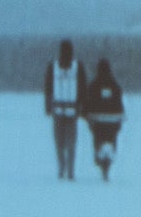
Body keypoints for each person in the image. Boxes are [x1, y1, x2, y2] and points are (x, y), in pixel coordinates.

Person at [43, 39, 87, 181]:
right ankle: (70, 170)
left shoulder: (53, 66)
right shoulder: (78, 66)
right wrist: (82, 106)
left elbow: (48, 88)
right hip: (72, 109)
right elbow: (83, 88)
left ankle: (62, 167)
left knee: (59, 142)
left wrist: (48, 106)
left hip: (58, 109)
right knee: (71, 142)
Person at [81, 57, 126, 182]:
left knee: (99, 143)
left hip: (98, 122)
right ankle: (107, 163)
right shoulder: (115, 85)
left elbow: (88, 103)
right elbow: (119, 103)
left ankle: (101, 161)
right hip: (112, 121)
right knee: (110, 143)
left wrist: (85, 115)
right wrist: (120, 119)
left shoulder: (93, 85)